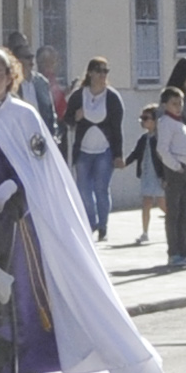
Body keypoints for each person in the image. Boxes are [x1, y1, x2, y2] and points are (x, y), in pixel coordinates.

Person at [0, 46, 166, 373]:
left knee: (13, 303)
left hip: (13, 228)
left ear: (12, 77)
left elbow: (39, 175)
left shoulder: (23, 117)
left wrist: (10, 192)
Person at [63, 57, 127, 241]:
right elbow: (66, 120)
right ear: (90, 73)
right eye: (99, 71)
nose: (102, 75)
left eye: (105, 71)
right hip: (83, 151)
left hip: (104, 152)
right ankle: (91, 222)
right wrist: (76, 116)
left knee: (101, 189)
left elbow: (117, 129)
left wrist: (118, 155)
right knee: (83, 190)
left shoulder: (112, 98)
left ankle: (103, 226)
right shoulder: (78, 95)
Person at [153, 91, 186, 265]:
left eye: (180, 103)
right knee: (175, 213)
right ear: (165, 105)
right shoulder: (165, 123)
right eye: (174, 103)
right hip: (176, 172)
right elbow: (162, 150)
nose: (178, 107)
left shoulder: (179, 122)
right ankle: (175, 252)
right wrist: (177, 167)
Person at [126, 103, 167, 244]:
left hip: (158, 175)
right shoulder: (144, 139)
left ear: (155, 120)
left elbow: (163, 160)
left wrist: (165, 177)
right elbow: (136, 153)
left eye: (146, 118)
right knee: (146, 203)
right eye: (142, 118)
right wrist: (124, 162)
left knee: (162, 203)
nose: (143, 121)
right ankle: (145, 232)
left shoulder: (160, 138)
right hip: (146, 174)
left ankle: (176, 223)